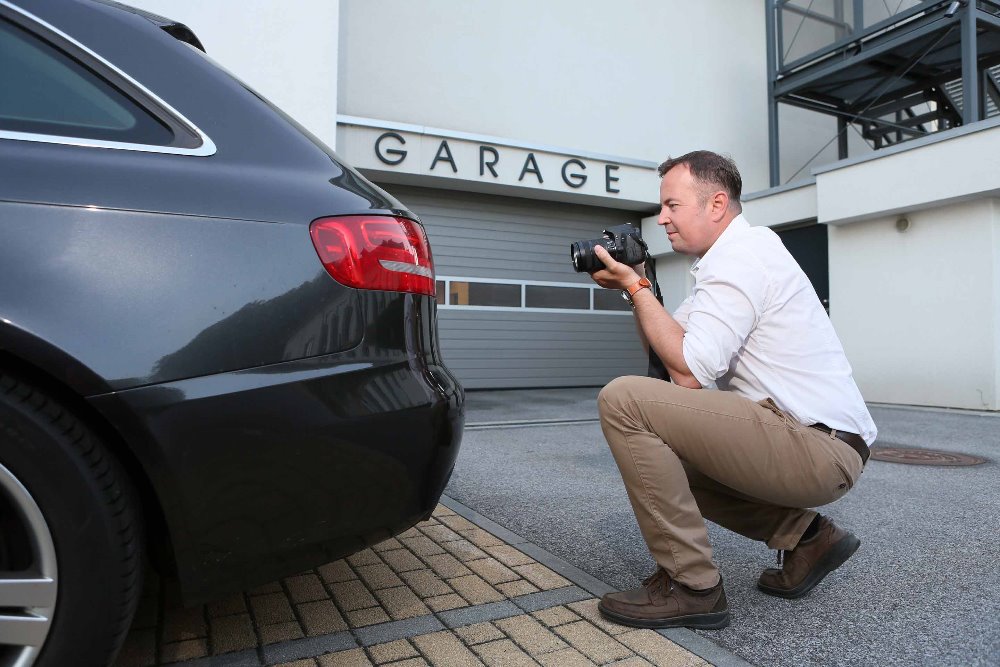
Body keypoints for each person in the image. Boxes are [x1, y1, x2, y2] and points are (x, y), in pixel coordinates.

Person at [587, 150, 877, 630]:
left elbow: (688, 373)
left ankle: (692, 587)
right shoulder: (725, 265)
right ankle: (808, 539)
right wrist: (637, 287)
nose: (662, 219)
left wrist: (636, 290)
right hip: (814, 443)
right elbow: (668, 357)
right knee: (660, 457)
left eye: (672, 206)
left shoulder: (742, 256)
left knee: (622, 400)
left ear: (716, 203)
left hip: (817, 447)